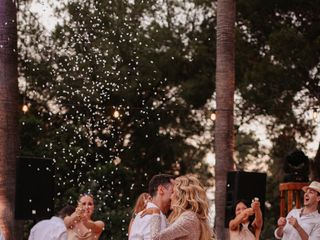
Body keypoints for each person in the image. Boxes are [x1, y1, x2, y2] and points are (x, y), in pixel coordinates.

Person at [144, 174, 213, 240]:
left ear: (181, 195)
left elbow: (155, 238)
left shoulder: (189, 218)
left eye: (173, 192)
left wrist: (156, 212)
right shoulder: (189, 217)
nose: (171, 197)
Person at [129, 174, 175, 240]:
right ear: (161, 190)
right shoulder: (148, 216)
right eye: (173, 191)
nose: (176, 195)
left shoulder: (157, 215)